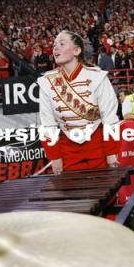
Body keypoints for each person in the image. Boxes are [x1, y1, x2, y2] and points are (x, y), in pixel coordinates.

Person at [38, 30, 120, 175]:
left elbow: (110, 120)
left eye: (62, 44)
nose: (55, 48)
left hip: (99, 146)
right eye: (55, 45)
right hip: (67, 150)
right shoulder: (46, 81)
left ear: (77, 50)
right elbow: (47, 124)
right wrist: (55, 157)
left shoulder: (97, 76)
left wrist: (111, 153)